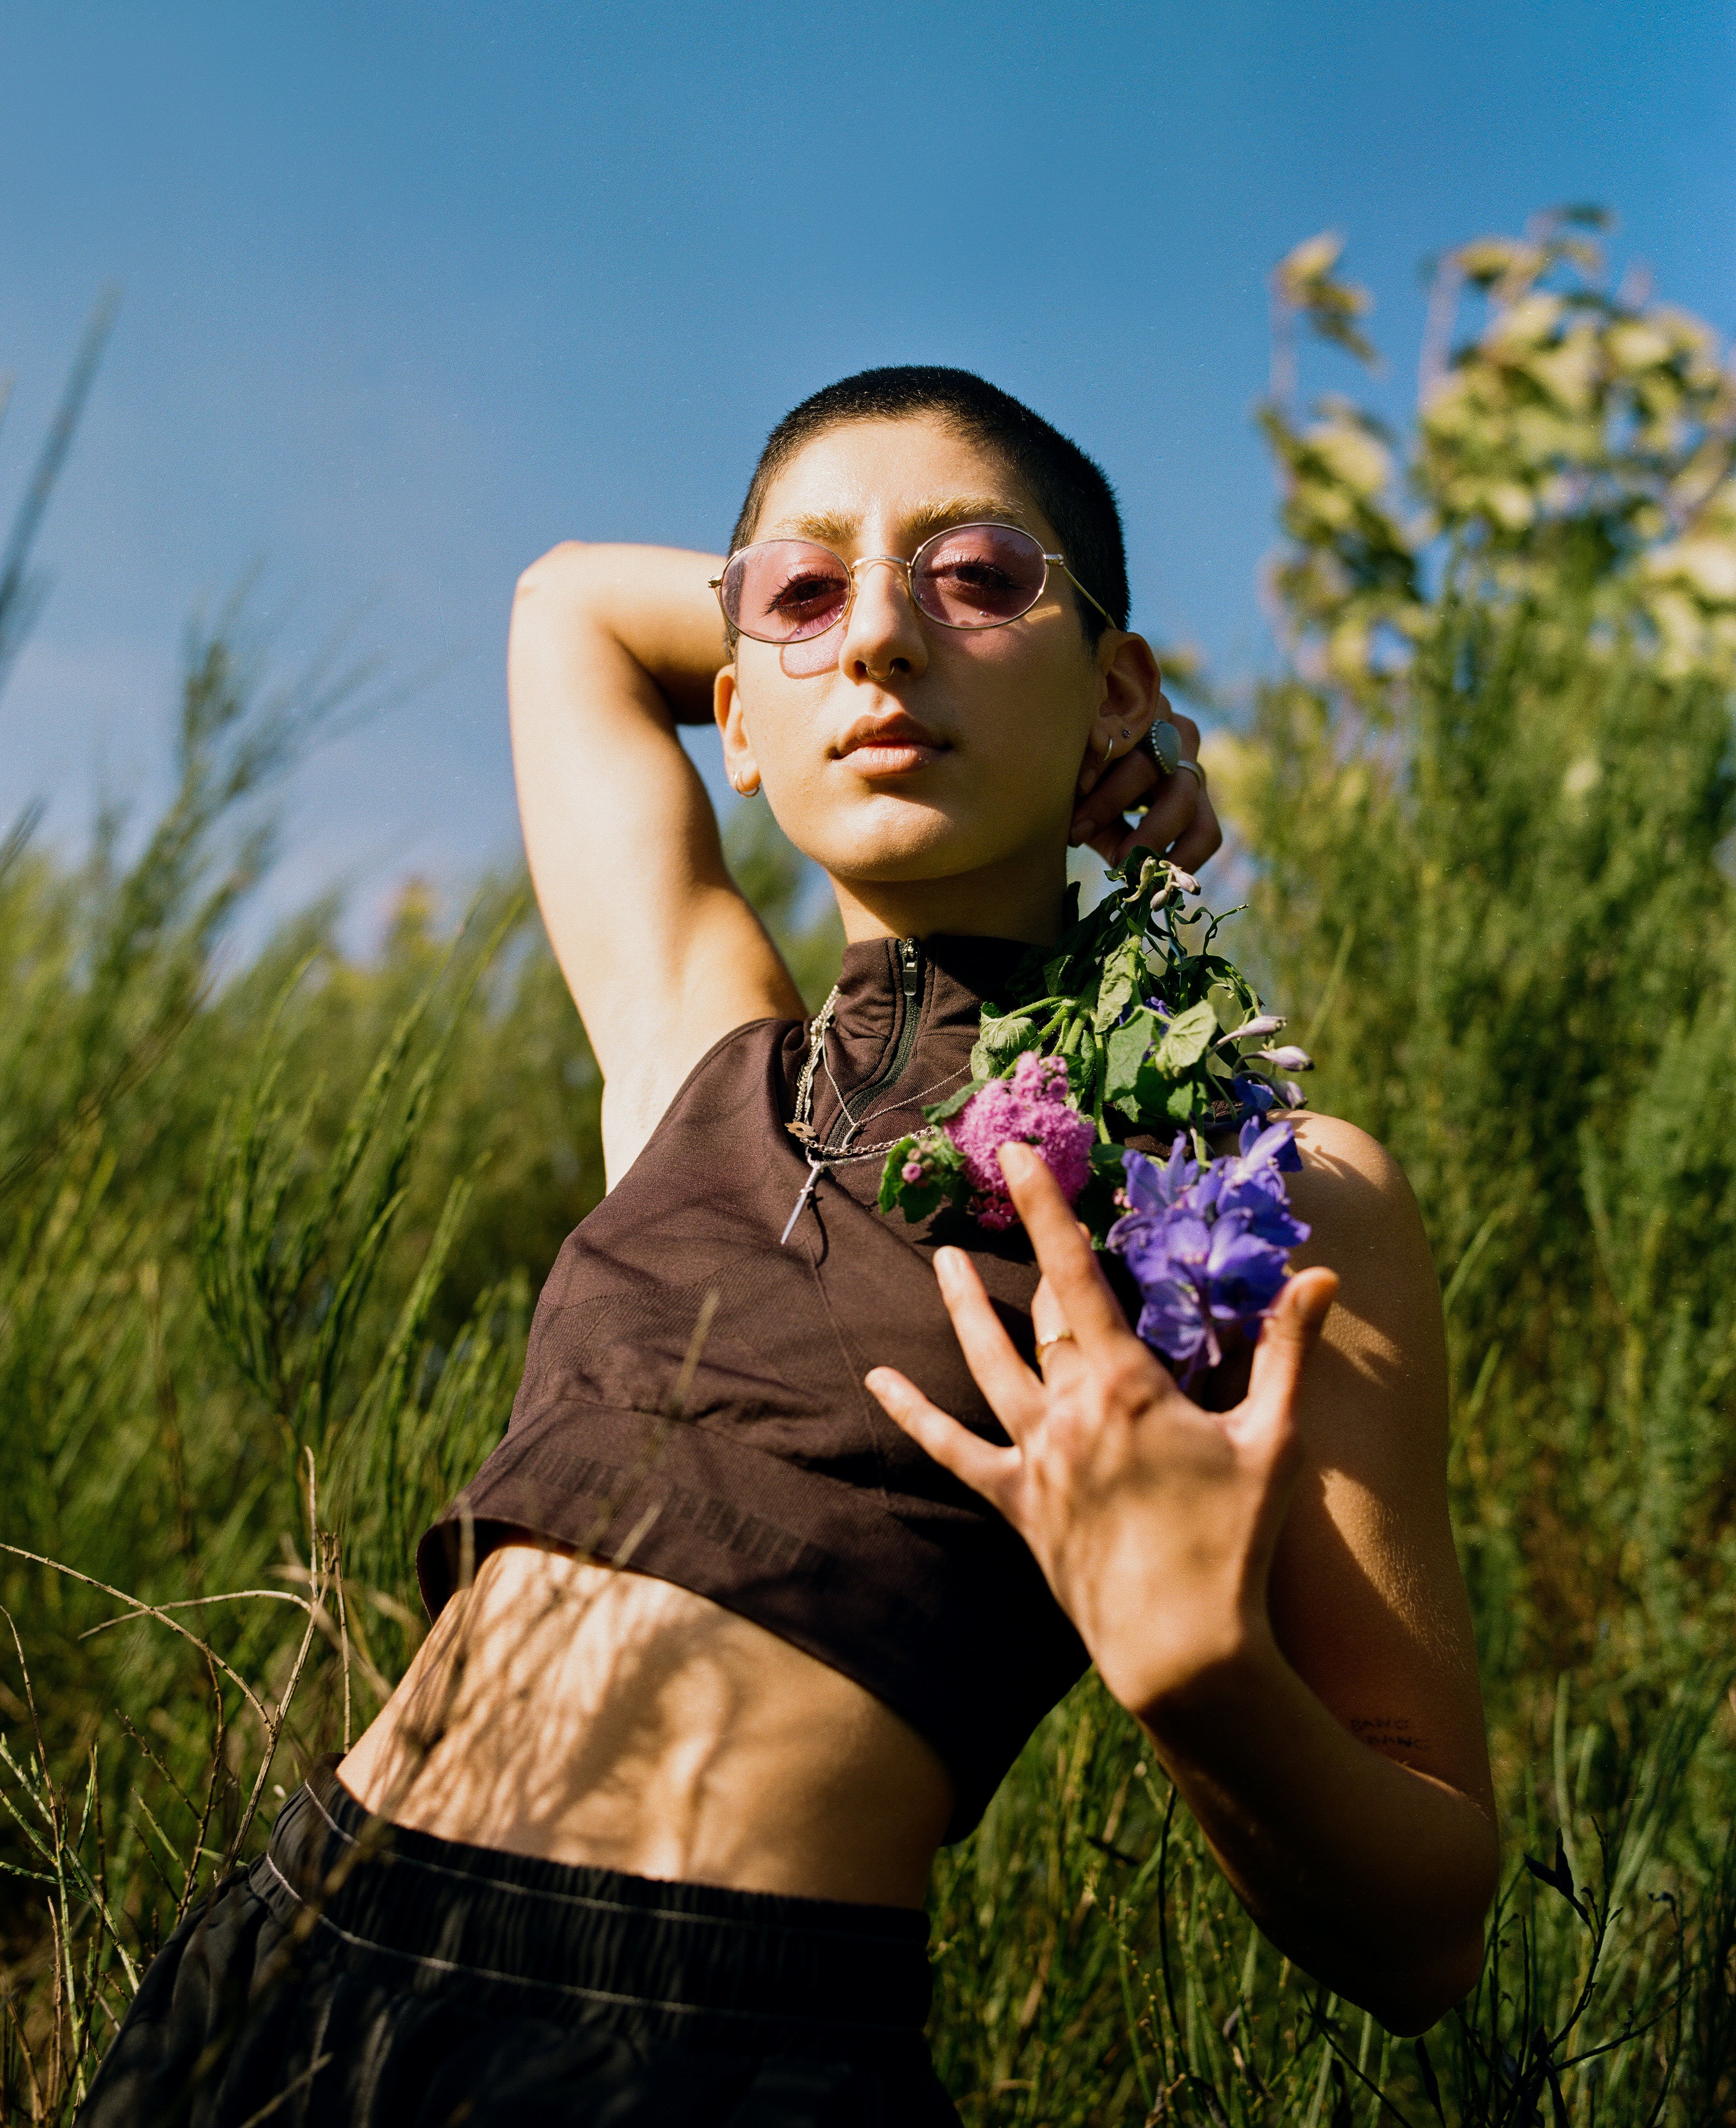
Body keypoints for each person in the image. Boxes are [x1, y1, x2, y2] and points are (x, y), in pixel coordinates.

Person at [80, 368, 1498, 2128]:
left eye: (982, 578)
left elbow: (1428, 1919)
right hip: (295, 1958)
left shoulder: (1261, 1177)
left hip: (712, 2043)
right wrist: (842, 622)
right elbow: (567, 609)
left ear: (1118, 684)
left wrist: (1201, 1673)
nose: (886, 639)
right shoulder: (701, 1060)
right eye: (809, 597)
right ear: (735, 715)